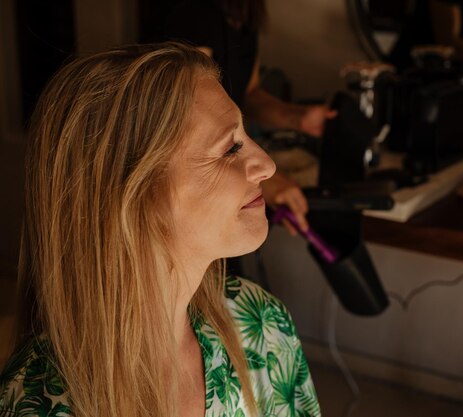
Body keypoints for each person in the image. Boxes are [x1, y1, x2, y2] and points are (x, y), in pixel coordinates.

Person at [0, 42, 320, 417]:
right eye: (230, 149)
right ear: (130, 196)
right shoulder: (38, 403)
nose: (266, 165)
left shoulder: (261, 325)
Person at [140, 0, 337, 236]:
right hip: (199, 193)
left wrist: (298, 118)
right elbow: (190, 116)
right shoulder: (192, 13)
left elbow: (249, 94)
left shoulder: (244, 13)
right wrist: (260, 180)